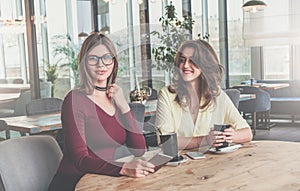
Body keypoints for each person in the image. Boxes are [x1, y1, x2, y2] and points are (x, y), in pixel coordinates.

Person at [49, 33, 155, 191]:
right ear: (84, 63)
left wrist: (124, 107)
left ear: (113, 61)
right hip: (74, 182)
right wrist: (123, 168)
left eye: (107, 57)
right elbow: (80, 159)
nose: (101, 65)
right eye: (93, 58)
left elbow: (139, 149)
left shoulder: (115, 98)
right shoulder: (74, 100)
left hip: (107, 180)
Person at [155, 39, 253, 150]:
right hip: (180, 164)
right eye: (182, 60)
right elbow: (165, 141)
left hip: (212, 163)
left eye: (192, 61)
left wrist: (230, 136)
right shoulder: (166, 95)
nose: (186, 65)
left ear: (205, 64)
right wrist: (205, 140)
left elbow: (247, 133)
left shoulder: (218, 96)